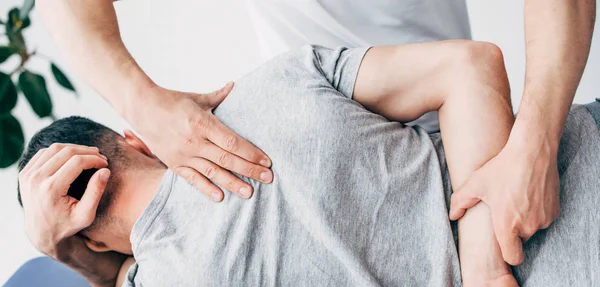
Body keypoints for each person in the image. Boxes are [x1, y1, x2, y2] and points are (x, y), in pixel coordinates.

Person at [18, 40, 600, 287]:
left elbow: (112, 278)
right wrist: (485, 272)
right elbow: (472, 65)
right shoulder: (273, 83)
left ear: (84, 238)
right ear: (136, 139)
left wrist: (57, 246)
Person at [37, 0, 596, 266]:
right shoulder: (191, 266)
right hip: (321, 125)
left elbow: (470, 70)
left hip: (458, 130)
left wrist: (536, 145)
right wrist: (146, 103)